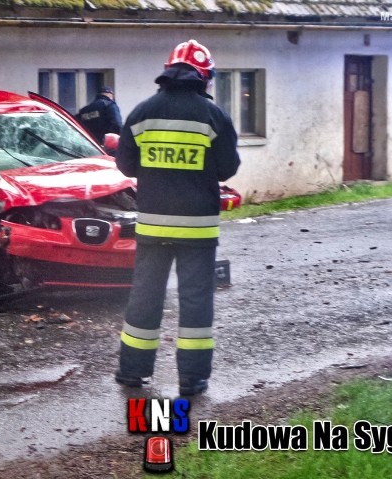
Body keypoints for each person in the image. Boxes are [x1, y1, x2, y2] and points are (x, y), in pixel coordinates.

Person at [113, 39, 240, 396]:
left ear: (168, 72)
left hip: (153, 225)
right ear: (203, 77)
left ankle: (132, 372)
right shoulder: (214, 116)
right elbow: (227, 169)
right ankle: (192, 379)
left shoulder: (141, 113)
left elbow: (124, 164)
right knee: (196, 300)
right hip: (197, 229)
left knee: (145, 296)